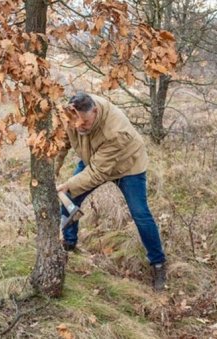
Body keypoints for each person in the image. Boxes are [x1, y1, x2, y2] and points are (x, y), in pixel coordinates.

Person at [55, 92, 167, 291]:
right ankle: (68, 244)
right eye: (76, 122)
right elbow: (61, 143)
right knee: (70, 199)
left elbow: (98, 172)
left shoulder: (116, 130)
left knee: (140, 213)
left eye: (86, 122)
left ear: (95, 112)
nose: (80, 126)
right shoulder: (71, 115)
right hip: (95, 159)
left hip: (127, 166)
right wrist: (52, 171)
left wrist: (68, 185)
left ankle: (158, 264)